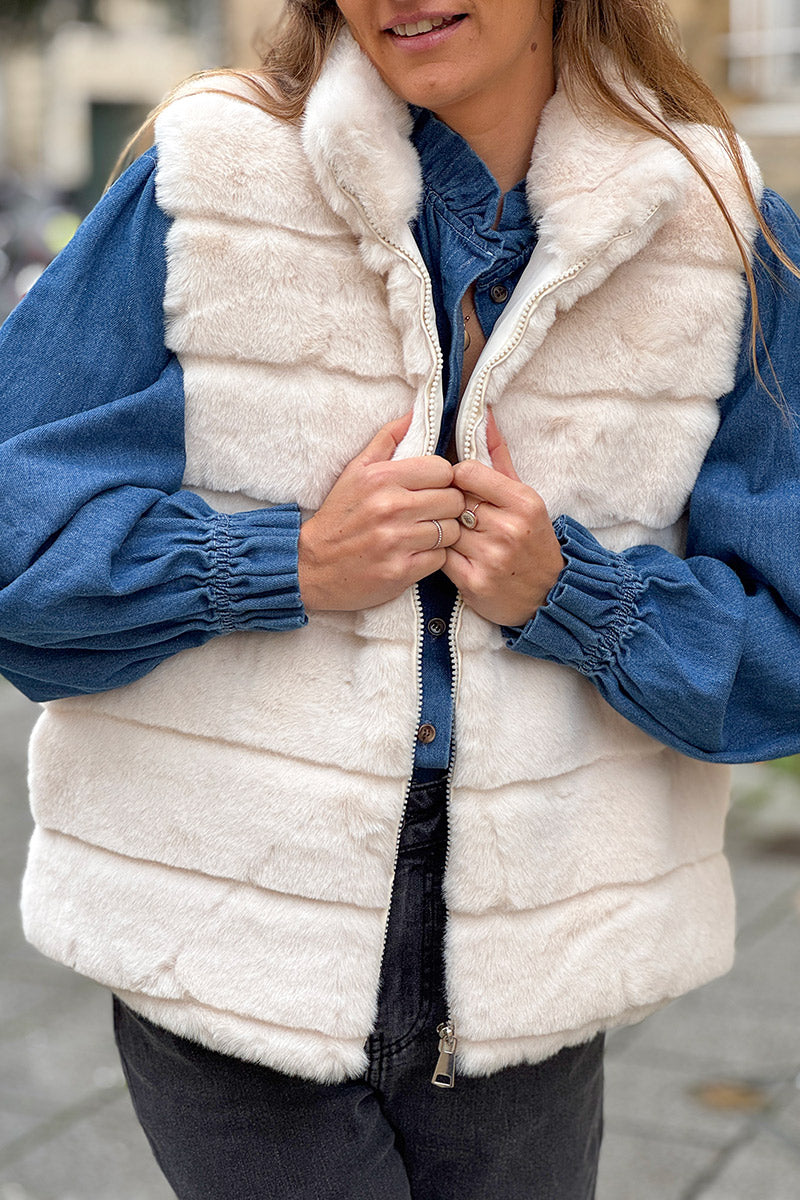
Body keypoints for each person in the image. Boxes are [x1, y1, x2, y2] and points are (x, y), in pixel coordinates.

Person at [2, 0, 800, 1196]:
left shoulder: (717, 231)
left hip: (536, 974)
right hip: (222, 934)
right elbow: (18, 544)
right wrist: (282, 564)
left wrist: (575, 596)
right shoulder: (209, 178)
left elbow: (783, 649)